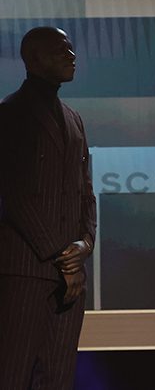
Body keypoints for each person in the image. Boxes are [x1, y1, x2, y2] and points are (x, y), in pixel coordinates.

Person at [0, 27, 96, 390]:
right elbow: (16, 196)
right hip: (25, 270)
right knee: (13, 372)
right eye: (60, 50)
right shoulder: (10, 114)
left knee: (57, 377)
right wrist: (61, 255)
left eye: (71, 48)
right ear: (34, 59)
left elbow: (85, 190)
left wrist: (85, 244)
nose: (71, 55)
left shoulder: (73, 118)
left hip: (70, 274)